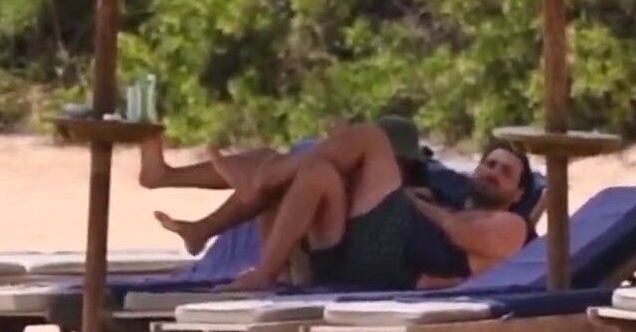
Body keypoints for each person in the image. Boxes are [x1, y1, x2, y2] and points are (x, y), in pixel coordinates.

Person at [207, 121, 530, 292]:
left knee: (371, 138)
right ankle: (269, 269)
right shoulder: (453, 199)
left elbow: (456, 231)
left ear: (518, 195)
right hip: (355, 260)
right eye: (490, 164)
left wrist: (411, 199)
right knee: (317, 172)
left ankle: (262, 182)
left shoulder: (514, 226)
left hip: (387, 256)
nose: (493, 173)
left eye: (506, 172)